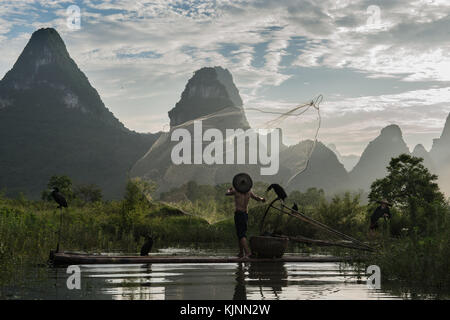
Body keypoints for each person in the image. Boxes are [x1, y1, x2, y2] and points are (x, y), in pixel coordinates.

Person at [226, 173, 265, 258]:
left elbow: (227, 193)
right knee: (240, 233)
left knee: (241, 234)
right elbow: (257, 198)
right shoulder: (249, 192)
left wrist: (229, 189)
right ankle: (241, 253)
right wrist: (262, 199)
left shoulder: (236, 191)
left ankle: (247, 252)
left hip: (239, 214)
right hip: (245, 214)